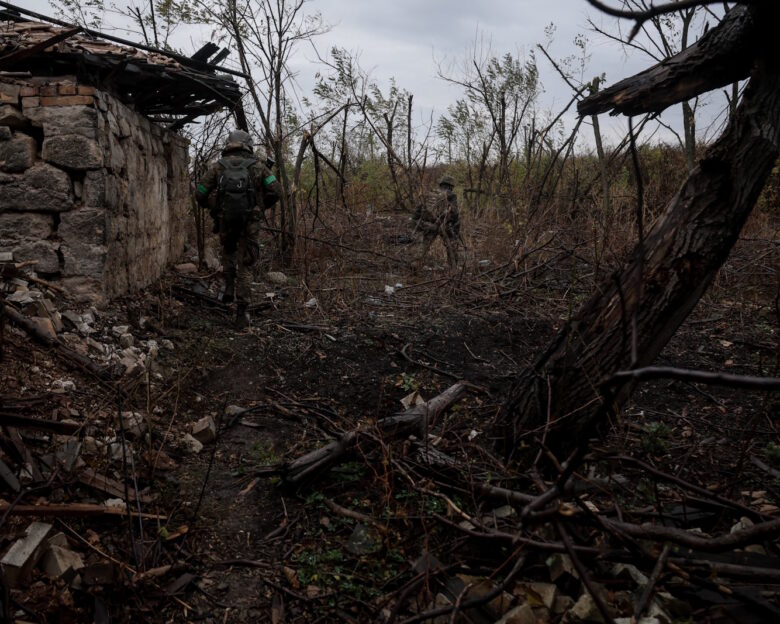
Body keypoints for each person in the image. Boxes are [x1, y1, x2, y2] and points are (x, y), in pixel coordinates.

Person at [196, 130, 282, 328]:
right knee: (246, 265)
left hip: (226, 220)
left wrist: (215, 208)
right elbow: (276, 190)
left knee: (228, 252)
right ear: (248, 145)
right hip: (250, 223)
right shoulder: (259, 166)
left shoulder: (218, 166)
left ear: (229, 144)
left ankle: (229, 287)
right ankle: (241, 314)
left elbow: (200, 193)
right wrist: (260, 207)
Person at [413, 175, 460, 270]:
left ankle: (415, 264)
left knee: (424, 245)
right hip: (444, 225)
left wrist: (417, 223)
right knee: (452, 245)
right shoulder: (451, 194)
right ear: (451, 186)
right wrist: (455, 230)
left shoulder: (430, 193)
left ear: (441, 184)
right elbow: (455, 213)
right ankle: (453, 267)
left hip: (429, 225)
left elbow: (418, 210)